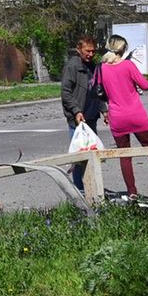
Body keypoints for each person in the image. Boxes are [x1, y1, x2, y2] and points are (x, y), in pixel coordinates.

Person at [100, 35, 148, 199]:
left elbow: (101, 92)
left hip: (117, 117)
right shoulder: (129, 65)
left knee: (125, 155)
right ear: (123, 49)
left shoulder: (102, 68)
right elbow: (145, 86)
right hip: (136, 115)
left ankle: (132, 192)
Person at [59, 35, 102, 191]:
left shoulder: (93, 66)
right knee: (79, 156)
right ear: (79, 50)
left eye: (93, 51)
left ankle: (92, 187)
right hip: (77, 119)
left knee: (92, 154)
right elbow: (66, 93)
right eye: (87, 51)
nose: (90, 54)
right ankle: (80, 190)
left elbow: (98, 89)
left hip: (91, 117)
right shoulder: (72, 66)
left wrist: (104, 110)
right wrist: (76, 111)